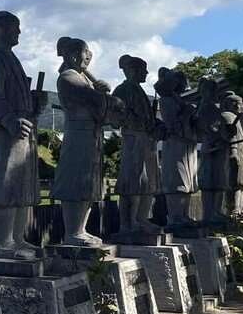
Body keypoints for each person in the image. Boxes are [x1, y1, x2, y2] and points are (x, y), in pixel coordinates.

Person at [0, 10, 47, 258]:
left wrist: (34, 102)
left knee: (21, 185)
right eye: (14, 27)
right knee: (5, 183)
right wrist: (8, 118)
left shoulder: (10, 57)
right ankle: (2, 243)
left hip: (23, 130)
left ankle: (17, 238)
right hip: (7, 131)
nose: (18, 32)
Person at [51, 37, 124, 246]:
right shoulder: (69, 78)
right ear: (73, 55)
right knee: (76, 181)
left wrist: (100, 93)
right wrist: (105, 97)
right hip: (78, 134)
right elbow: (94, 102)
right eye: (85, 51)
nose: (89, 56)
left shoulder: (83, 79)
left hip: (92, 134)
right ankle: (72, 232)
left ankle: (80, 229)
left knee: (89, 184)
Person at [112, 55, 162, 235]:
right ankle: (128, 223)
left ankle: (141, 218)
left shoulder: (139, 91)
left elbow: (149, 118)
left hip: (148, 140)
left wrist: (157, 124)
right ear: (133, 70)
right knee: (132, 180)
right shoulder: (123, 90)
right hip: (133, 139)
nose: (147, 73)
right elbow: (116, 115)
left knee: (148, 182)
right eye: (144, 69)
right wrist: (135, 122)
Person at [155, 67, 199, 228]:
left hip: (188, 143)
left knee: (188, 182)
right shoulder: (166, 100)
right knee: (177, 180)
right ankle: (175, 217)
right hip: (176, 143)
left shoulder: (179, 100)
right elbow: (171, 125)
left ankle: (184, 215)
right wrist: (187, 113)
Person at [196, 78, 236, 226]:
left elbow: (220, 128)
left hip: (220, 147)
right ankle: (209, 213)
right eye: (214, 91)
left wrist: (228, 131)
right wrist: (217, 137)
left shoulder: (214, 108)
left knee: (219, 181)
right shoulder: (205, 107)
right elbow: (206, 128)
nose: (216, 94)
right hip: (211, 147)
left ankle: (216, 211)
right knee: (209, 180)